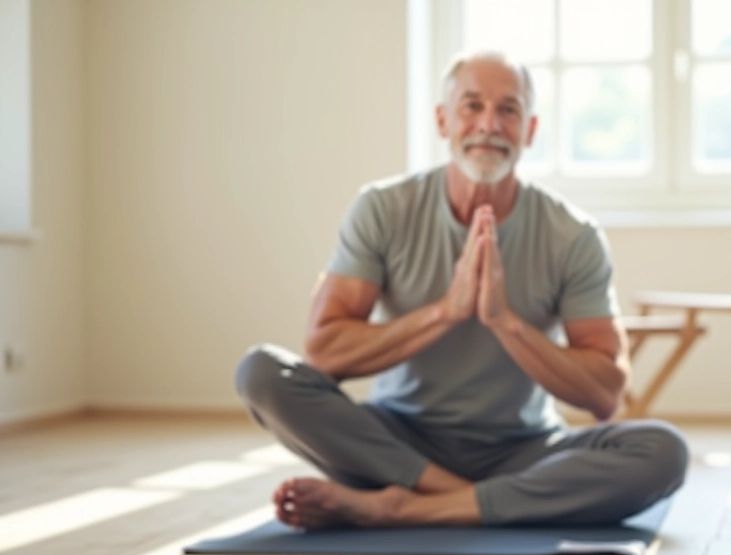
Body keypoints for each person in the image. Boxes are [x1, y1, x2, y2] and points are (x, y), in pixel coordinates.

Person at [234, 50, 687, 529]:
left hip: (522, 449)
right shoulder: (383, 209)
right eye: (471, 106)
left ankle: (406, 507)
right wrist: (446, 312)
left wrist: (504, 322)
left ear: (530, 130)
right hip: (396, 446)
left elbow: (606, 392)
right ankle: (471, 501)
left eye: (508, 110)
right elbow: (325, 352)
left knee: (663, 452)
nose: (489, 124)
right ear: (442, 120)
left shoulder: (572, 235)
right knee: (260, 372)